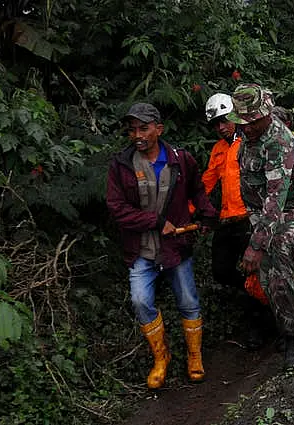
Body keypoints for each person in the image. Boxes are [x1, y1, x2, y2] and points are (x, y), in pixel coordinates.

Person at [106, 103, 216, 388]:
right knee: (141, 301)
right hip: (141, 248)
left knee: (188, 302)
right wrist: (155, 221)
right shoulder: (121, 165)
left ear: (159, 129)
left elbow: (197, 190)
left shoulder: (181, 159)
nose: (137, 135)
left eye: (143, 128)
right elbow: (117, 209)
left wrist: (206, 215)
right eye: (132, 130)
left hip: (176, 247)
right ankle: (161, 357)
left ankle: (194, 356)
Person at [227, 84, 294, 368]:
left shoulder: (279, 142)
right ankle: (276, 322)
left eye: (253, 121)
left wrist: (257, 245)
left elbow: (276, 201)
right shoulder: (248, 135)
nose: (247, 127)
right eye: (243, 122)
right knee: (262, 277)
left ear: (266, 114)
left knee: (279, 264)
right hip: (258, 213)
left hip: (288, 210)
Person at [202, 93, 267, 350]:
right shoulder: (218, 150)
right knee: (222, 270)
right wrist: (188, 209)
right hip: (228, 220)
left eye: (224, 121)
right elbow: (206, 183)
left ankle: (260, 324)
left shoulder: (251, 142)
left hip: (249, 218)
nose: (220, 127)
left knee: (253, 271)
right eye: (216, 124)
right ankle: (257, 302)